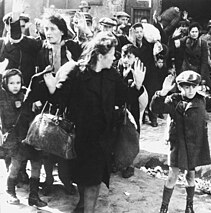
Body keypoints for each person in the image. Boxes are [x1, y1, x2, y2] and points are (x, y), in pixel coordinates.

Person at [41, 31, 146, 213]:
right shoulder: (76, 72)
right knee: (82, 177)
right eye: (112, 54)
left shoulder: (111, 75)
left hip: (102, 137)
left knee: (94, 179)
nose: (115, 58)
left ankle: (87, 209)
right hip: (78, 135)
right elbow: (60, 101)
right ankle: (82, 205)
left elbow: (123, 98)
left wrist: (137, 85)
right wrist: (51, 89)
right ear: (100, 55)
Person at [9, 0, 83, 195]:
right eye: (45, 29)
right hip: (46, 103)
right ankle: (49, 179)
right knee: (47, 143)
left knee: (68, 141)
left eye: (52, 29)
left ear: (61, 30)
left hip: (69, 102)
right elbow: (17, 38)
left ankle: (66, 180)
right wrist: (15, 16)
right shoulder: (39, 47)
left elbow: (84, 66)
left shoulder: (74, 47)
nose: (48, 33)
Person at [150, 71, 211, 213]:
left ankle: (189, 207)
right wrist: (162, 92)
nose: (190, 90)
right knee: (172, 175)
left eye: (193, 87)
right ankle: (164, 208)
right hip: (178, 144)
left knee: (190, 175)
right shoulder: (173, 100)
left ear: (197, 87)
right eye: (186, 87)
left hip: (194, 144)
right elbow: (155, 108)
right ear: (180, 87)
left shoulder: (202, 100)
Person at [0, 69, 47, 207]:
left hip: (31, 136)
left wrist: (35, 104)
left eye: (18, 82)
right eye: (11, 83)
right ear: (5, 83)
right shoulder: (3, 97)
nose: (15, 86)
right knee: (15, 166)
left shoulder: (26, 95)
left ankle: (33, 195)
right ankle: (10, 192)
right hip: (15, 138)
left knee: (36, 165)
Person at [117, 44, 148, 178]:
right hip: (118, 108)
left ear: (135, 58)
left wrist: (137, 84)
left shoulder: (138, 71)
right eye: (124, 56)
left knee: (132, 133)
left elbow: (140, 94)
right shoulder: (117, 69)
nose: (125, 59)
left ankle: (129, 165)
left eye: (129, 57)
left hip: (132, 107)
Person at [130, 22, 158, 127]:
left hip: (150, 73)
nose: (139, 34)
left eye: (141, 32)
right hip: (138, 73)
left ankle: (153, 117)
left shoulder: (149, 44)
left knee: (151, 95)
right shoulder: (131, 46)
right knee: (138, 96)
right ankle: (139, 117)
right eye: (136, 32)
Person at [174, 22, 211, 90]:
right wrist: (176, 36)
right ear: (189, 32)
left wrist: (202, 76)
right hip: (186, 69)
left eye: (196, 32)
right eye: (192, 32)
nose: (194, 34)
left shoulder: (203, 43)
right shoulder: (185, 41)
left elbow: (204, 61)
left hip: (198, 69)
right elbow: (175, 45)